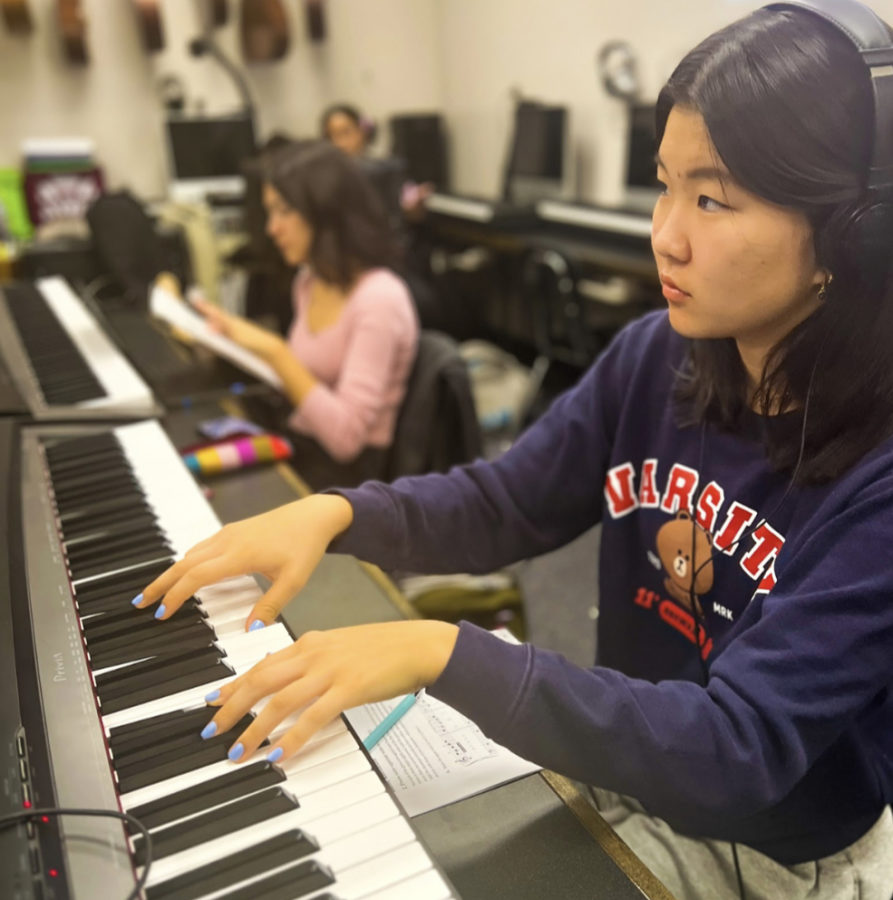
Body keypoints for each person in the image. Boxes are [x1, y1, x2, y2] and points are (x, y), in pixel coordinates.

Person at [137, 3, 893, 898]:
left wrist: (443, 652)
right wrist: (340, 512)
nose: (665, 233)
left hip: (774, 855)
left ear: (850, 235)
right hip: (632, 775)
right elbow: (507, 502)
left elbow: (738, 745)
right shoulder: (655, 355)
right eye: (663, 184)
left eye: (710, 198)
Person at [191, 140, 419, 489]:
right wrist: (229, 337)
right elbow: (306, 383)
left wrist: (275, 352)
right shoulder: (310, 281)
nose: (272, 228)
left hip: (348, 483)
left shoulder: (380, 299)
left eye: (284, 211)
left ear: (324, 214)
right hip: (300, 444)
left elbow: (346, 440)